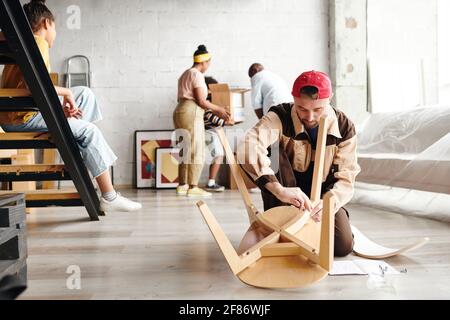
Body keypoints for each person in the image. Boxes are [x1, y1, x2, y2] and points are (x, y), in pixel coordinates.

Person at [0, 0, 141, 212]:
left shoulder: (24, 41)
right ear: (46, 23)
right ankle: (109, 195)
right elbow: (33, 86)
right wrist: (65, 93)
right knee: (89, 131)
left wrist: (66, 101)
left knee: (84, 93)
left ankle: (78, 145)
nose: (55, 33)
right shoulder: (38, 43)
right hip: (22, 118)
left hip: (20, 112)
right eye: (55, 27)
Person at [237, 70, 361, 256]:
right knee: (273, 149)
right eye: (302, 108)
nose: (309, 117)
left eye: (318, 109)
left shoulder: (344, 127)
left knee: (342, 247)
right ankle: (280, 219)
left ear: (330, 99)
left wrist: (330, 203)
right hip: (285, 191)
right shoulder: (279, 115)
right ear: (294, 98)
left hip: (322, 197)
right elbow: (248, 147)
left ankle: (324, 223)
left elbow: (347, 177)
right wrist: (279, 190)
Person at [173, 45, 230, 197]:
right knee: (196, 149)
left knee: (185, 148)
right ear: (204, 62)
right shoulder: (197, 74)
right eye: (208, 63)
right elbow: (201, 101)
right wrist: (220, 110)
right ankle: (193, 187)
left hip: (180, 110)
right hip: (191, 112)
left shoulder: (184, 74)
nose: (208, 66)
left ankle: (183, 185)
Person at [203, 77, 225, 192]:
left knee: (217, 155)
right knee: (218, 155)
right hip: (208, 131)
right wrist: (225, 121)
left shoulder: (211, 101)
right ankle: (211, 183)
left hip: (212, 131)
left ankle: (211, 182)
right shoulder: (206, 101)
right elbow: (208, 116)